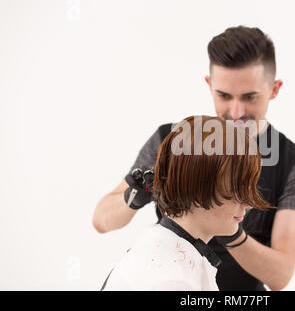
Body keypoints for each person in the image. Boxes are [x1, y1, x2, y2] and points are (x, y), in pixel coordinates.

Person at [93, 25, 295, 291]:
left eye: (250, 97)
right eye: (224, 96)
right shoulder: (176, 140)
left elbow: (280, 276)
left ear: (274, 89)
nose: (236, 112)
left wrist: (224, 221)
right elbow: (101, 220)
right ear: (209, 85)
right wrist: (137, 195)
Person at [101, 115, 273, 290]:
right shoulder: (172, 281)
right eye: (238, 189)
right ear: (197, 187)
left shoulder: (166, 253)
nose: (248, 203)